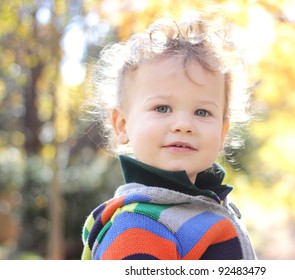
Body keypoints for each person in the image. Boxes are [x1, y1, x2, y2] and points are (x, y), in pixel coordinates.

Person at [81, 10, 256, 260]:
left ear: (222, 133)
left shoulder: (204, 208)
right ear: (122, 125)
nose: (184, 125)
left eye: (202, 112)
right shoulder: (137, 226)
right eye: (162, 108)